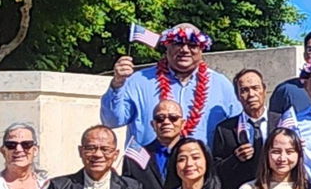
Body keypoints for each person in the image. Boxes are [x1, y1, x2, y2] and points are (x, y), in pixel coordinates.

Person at [102, 22, 239, 148]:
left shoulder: (221, 85)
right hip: (147, 169)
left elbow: (237, 128)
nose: (185, 49)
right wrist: (117, 84)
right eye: (177, 43)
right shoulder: (139, 80)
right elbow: (111, 121)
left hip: (199, 170)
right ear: (167, 45)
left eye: (192, 45)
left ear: (201, 49)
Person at [212, 68, 271, 189]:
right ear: (238, 96)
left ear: (264, 90)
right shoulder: (225, 129)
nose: (251, 94)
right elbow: (216, 169)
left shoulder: (280, 122)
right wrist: (235, 159)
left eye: (255, 88)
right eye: (244, 90)